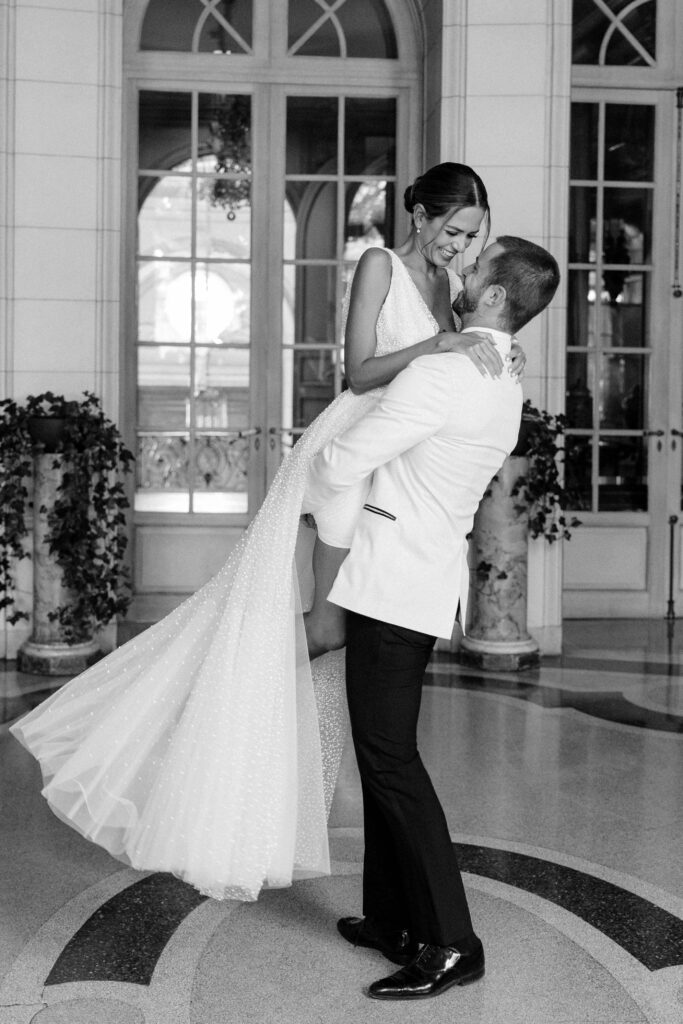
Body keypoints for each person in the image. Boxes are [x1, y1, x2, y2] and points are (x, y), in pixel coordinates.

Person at [10, 164, 524, 904]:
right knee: (318, 627)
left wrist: (490, 351)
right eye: (454, 229)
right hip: (350, 447)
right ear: (416, 214)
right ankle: (212, 708)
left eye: (474, 235)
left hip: (391, 457)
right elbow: (357, 372)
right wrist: (437, 349)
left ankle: (245, 713)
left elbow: (458, 369)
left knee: (330, 637)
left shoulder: (451, 289)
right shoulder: (379, 264)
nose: (463, 246)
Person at [302, 235, 560, 1001]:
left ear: (490, 298)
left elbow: (340, 462)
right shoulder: (503, 378)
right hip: (419, 579)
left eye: (474, 268)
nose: (460, 270)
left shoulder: (445, 374)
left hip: (388, 584)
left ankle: (451, 941)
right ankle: (391, 920)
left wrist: (322, 459)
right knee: (382, 757)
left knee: (389, 762)